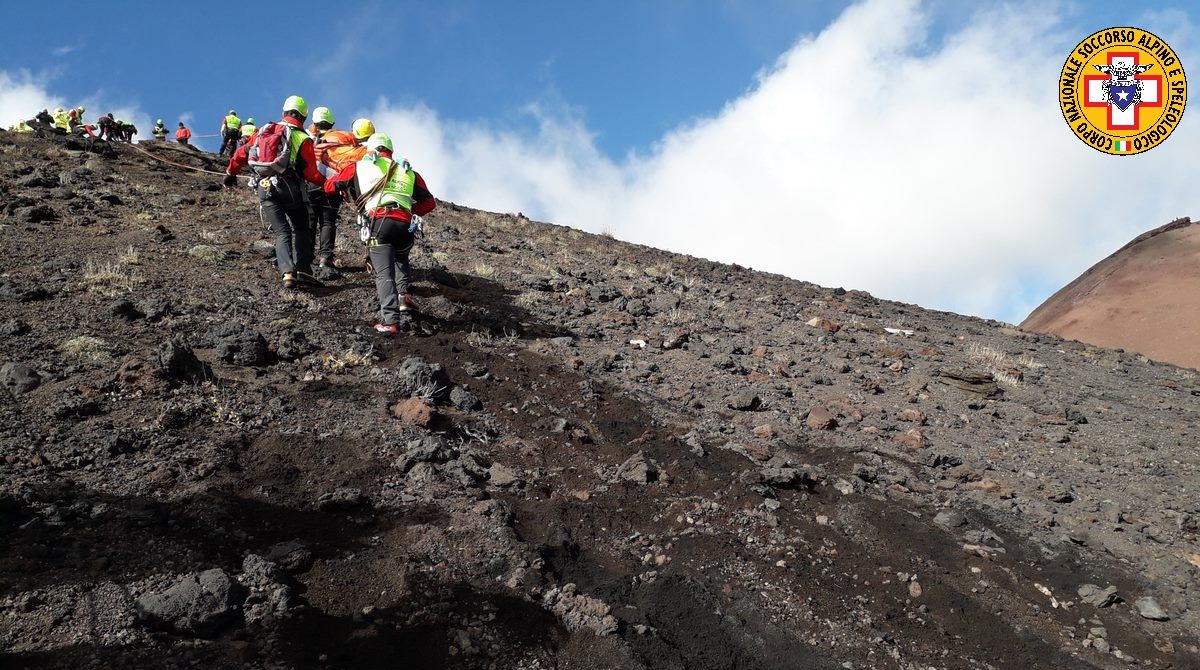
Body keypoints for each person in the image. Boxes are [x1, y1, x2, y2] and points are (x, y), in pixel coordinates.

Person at [324, 132, 436, 334]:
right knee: (401, 257)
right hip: (405, 224)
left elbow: (329, 186)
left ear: (370, 150)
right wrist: (408, 211)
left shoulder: (358, 166)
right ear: (390, 151)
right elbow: (429, 202)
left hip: (380, 221)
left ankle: (391, 322)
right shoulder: (408, 171)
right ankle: (404, 296)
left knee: (384, 274)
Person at [223, 95, 326, 289]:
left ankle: (287, 273)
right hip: (290, 187)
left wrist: (230, 173)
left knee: (281, 232)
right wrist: (327, 184)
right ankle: (302, 268)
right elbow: (310, 172)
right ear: (304, 117)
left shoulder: (265, 131)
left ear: (283, 113)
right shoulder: (303, 138)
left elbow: (240, 154)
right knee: (302, 227)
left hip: (264, 187)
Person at [305, 106, 344, 268]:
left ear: (314, 122)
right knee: (328, 222)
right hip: (332, 185)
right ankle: (325, 258)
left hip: (312, 183)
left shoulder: (307, 137)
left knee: (310, 221)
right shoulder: (339, 139)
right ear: (332, 123)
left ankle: (306, 256)